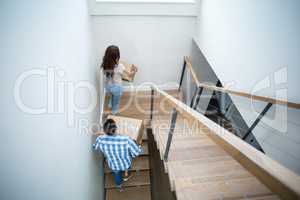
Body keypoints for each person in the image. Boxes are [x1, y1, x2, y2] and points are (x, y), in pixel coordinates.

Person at [93, 118, 142, 191]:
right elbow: (136, 153)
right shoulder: (126, 139)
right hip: (125, 163)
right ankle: (126, 176)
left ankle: (119, 187)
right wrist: (139, 147)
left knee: (116, 175)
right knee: (127, 167)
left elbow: (95, 147)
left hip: (113, 164)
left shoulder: (100, 139)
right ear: (115, 129)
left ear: (104, 130)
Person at [101, 45, 137, 115]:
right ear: (117, 57)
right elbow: (129, 75)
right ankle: (114, 112)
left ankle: (111, 103)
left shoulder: (105, 64)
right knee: (116, 103)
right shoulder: (120, 66)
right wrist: (134, 71)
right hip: (117, 88)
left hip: (108, 86)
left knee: (112, 94)